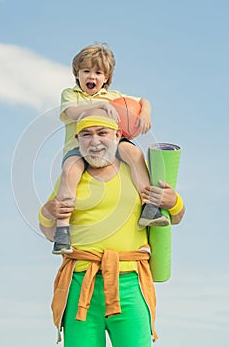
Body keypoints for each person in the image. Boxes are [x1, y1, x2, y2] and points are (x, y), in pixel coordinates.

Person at [39, 110, 185, 347]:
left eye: (102, 133)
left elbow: (176, 217)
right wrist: (48, 212)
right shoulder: (71, 178)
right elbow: (49, 232)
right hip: (80, 284)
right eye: (86, 134)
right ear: (78, 141)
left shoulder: (140, 172)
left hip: (130, 283)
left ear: (118, 136)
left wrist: (174, 201)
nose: (94, 141)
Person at [53, 43, 169, 255]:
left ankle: (148, 207)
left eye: (98, 72)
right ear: (77, 75)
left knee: (134, 153)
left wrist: (145, 113)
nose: (92, 76)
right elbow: (71, 112)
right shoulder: (71, 94)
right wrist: (97, 107)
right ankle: (62, 229)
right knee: (70, 171)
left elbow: (143, 100)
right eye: (86, 71)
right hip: (81, 150)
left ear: (106, 78)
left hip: (110, 149)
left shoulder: (113, 96)